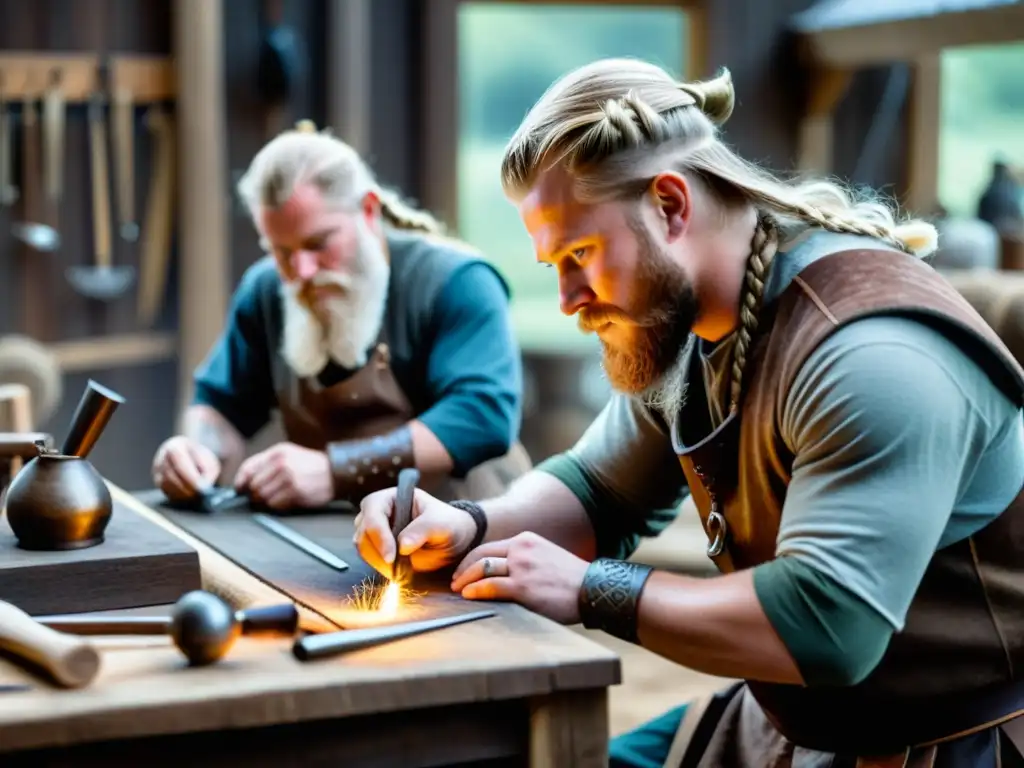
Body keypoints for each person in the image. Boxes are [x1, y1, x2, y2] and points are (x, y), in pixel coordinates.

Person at [353, 59, 1024, 767]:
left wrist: (589, 590)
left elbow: (827, 626)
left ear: (671, 206)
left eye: (580, 253)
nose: (568, 298)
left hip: (953, 745)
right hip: (794, 727)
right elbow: (597, 490)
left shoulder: (872, 355)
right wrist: (464, 526)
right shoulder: (687, 323)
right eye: (556, 264)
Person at [152, 121, 531, 511]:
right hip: (347, 542)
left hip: (476, 531)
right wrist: (195, 453)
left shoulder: (457, 282)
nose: (302, 271)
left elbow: (481, 414)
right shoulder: (267, 291)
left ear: (368, 211)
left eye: (319, 244)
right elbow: (221, 403)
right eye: (281, 252)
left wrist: (336, 470)